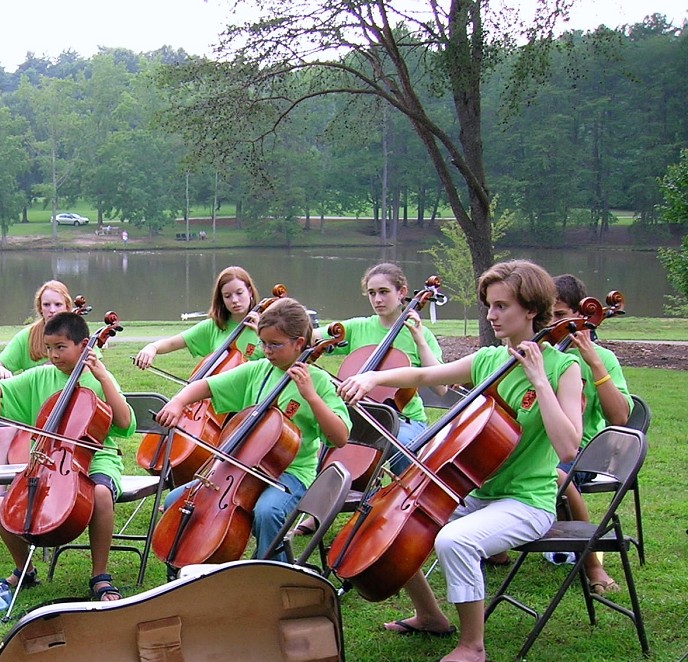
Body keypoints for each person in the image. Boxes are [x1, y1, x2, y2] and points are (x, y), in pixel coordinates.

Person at [336, 260, 583, 662]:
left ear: (532, 310)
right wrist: (373, 379)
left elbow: (569, 446)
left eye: (502, 306)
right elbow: (423, 377)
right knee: (392, 522)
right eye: (489, 305)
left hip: (526, 501)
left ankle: (473, 646)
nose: (491, 315)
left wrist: (539, 378)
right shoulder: (488, 359)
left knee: (454, 540)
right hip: (477, 492)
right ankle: (430, 616)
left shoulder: (563, 368)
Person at [154, 297, 350, 565]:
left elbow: (340, 437)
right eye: (263, 343)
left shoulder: (319, 383)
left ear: (299, 344)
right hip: (240, 466)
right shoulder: (257, 370)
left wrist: (312, 398)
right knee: (178, 497)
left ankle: (271, 573)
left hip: (290, 474)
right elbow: (205, 386)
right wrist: (178, 402)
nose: (267, 351)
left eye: (275, 345)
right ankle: (188, 568)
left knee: (267, 512)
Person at [0, 311, 135, 601]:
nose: (53, 355)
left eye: (60, 347)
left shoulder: (99, 380)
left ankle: (100, 574)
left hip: (97, 460)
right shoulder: (41, 376)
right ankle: (26, 569)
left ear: (84, 344)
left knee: (99, 493)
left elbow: (124, 422)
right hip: (47, 462)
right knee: (1, 506)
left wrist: (104, 378)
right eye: (49, 348)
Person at [317, 263, 446, 476]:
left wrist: (420, 340)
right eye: (372, 293)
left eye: (384, 292)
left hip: (404, 421)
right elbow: (312, 337)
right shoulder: (358, 327)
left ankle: (404, 500)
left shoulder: (421, 335)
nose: (377, 299)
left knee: (404, 446)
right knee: (327, 442)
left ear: (402, 292)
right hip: (357, 418)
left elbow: (441, 388)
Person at [549, 273, 631, 595]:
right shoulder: (541, 353)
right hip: (536, 447)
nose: (553, 324)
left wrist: (594, 363)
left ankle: (593, 565)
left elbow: (620, 417)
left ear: (581, 316)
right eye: (547, 316)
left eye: (559, 315)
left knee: (556, 476)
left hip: (581, 455)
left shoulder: (603, 359)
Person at [0, 280, 73, 524]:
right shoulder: (30, 335)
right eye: (46, 304)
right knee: (4, 430)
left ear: (67, 306)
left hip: (64, 406)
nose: (52, 309)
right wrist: (0, 371)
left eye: (58, 304)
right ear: (40, 307)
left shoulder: (76, 335)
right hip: (30, 406)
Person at [133, 265, 265, 372]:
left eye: (239, 293)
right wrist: (152, 348)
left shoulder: (265, 326)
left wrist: (263, 335)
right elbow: (172, 343)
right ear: (221, 299)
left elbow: (281, 365)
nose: (234, 300)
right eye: (227, 296)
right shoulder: (214, 326)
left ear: (250, 291)